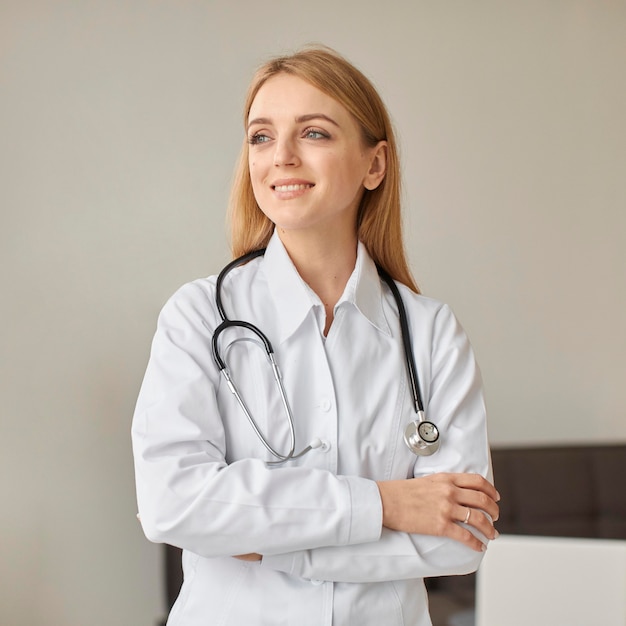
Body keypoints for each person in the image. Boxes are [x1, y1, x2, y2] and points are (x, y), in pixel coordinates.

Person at [132, 45, 499, 626]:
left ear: (374, 165)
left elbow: (458, 542)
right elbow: (173, 505)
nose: (280, 157)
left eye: (315, 133)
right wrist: (387, 504)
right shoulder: (199, 316)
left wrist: (264, 542)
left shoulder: (431, 334)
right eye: (260, 136)